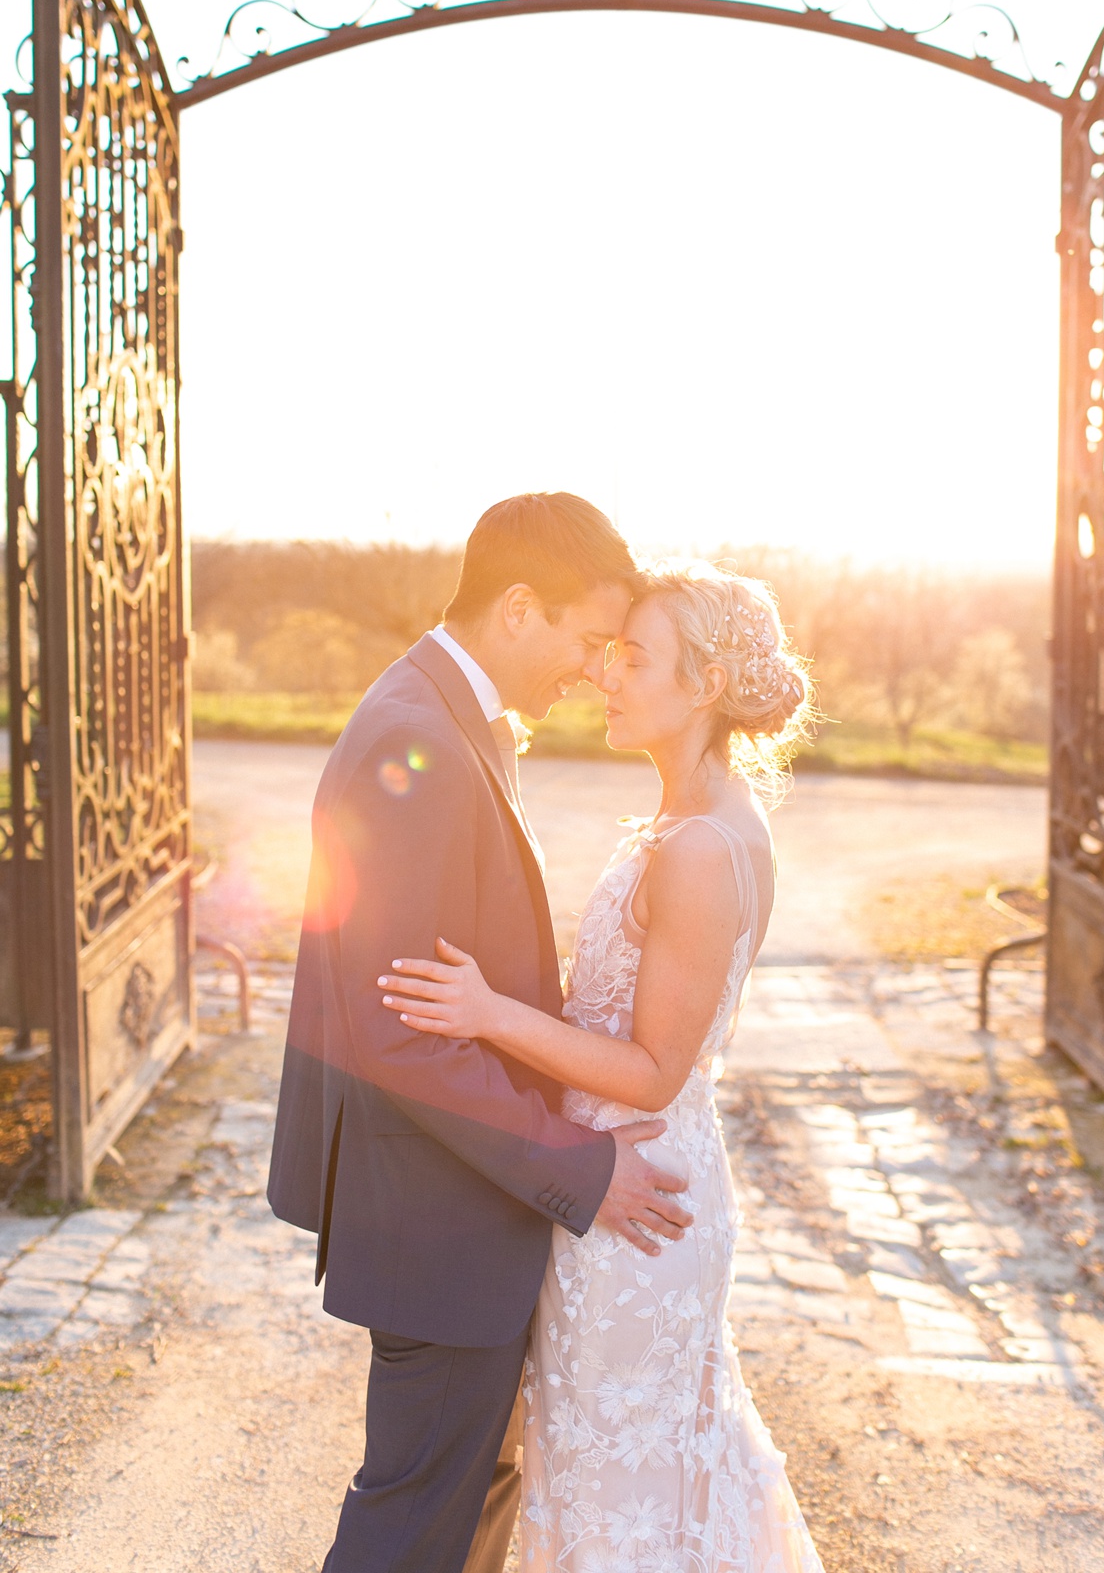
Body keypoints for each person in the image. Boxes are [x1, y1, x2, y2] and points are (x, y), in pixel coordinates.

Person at [267, 493, 693, 1573]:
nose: (596, 670)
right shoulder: (414, 739)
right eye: (590, 640)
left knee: (466, 1507)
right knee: (413, 1528)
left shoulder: (445, 719)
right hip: (437, 1223)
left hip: (456, 1218)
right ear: (517, 607)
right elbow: (399, 1035)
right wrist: (580, 1168)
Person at [379, 562, 827, 1572]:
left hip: (637, 1190)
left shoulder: (702, 850)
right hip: (626, 1172)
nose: (607, 678)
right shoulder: (696, 821)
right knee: (621, 1467)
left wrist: (487, 1013)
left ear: (704, 685)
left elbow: (655, 1067)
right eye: (610, 654)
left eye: (634, 660)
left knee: (619, 1474)